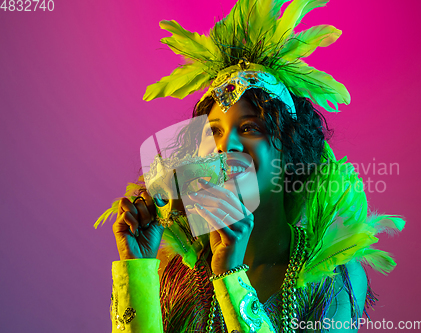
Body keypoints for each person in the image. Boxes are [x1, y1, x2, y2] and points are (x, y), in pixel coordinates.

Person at [95, 0, 405, 332]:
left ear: (290, 153)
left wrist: (230, 273)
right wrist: (138, 266)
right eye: (213, 130)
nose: (223, 146)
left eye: (249, 128)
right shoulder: (178, 273)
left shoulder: (333, 275)